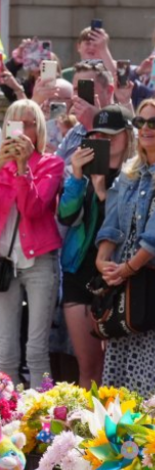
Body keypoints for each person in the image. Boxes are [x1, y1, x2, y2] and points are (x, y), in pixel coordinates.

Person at [0, 99, 64, 386]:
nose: (23, 131)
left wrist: (23, 169)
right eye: (16, 124)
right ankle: (6, 416)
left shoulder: (52, 163)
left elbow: (33, 210)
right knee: (6, 352)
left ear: (39, 130)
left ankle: (46, 414)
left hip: (39, 262)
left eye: (30, 124)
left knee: (36, 351)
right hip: (4, 261)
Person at [59, 105, 134, 387]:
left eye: (112, 135)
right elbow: (65, 215)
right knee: (88, 366)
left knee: (114, 369)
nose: (105, 141)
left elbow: (123, 227)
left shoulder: (135, 176)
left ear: (128, 135)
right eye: (98, 136)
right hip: (80, 272)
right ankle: (85, 430)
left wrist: (103, 193)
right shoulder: (86, 172)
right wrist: (78, 178)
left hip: (119, 275)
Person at [94, 98, 155, 395]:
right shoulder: (129, 172)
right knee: (121, 389)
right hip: (127, 287)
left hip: (148, 281)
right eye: (140, 122)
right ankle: (125, 442)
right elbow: (112, 223)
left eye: (153, 123)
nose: (145, 128)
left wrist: (126, 269)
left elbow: (154, 238)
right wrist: (103, 261)